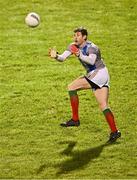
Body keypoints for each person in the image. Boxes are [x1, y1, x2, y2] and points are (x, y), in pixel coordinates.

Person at [49, 27, 121, 143]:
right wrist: (56, 56)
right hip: (98, 75)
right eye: (74, 35)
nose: (75, 37)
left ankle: (75, 119)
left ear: (84, 37)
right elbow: (62, 58)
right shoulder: (73, 45)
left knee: (71, 87)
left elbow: (92, 61)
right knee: (103, 105)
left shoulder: (92, 47)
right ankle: (115, 132)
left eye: (78, 35)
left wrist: (79, 54)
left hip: (99, 73)